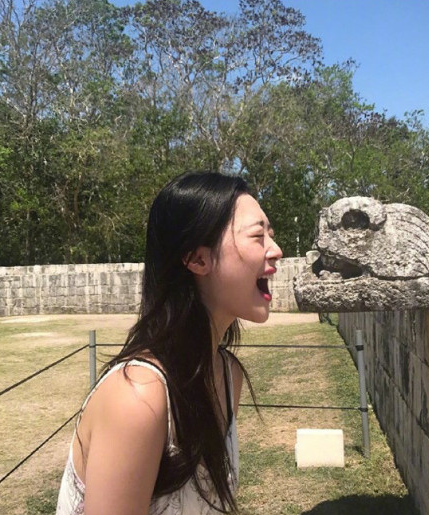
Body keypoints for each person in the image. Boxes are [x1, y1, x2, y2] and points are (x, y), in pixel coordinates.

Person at [56, 171, 283, 514]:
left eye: (271, 234)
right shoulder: (138, 396)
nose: (276, 251)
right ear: (197, 259)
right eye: (257, 236)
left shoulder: (226, 375)